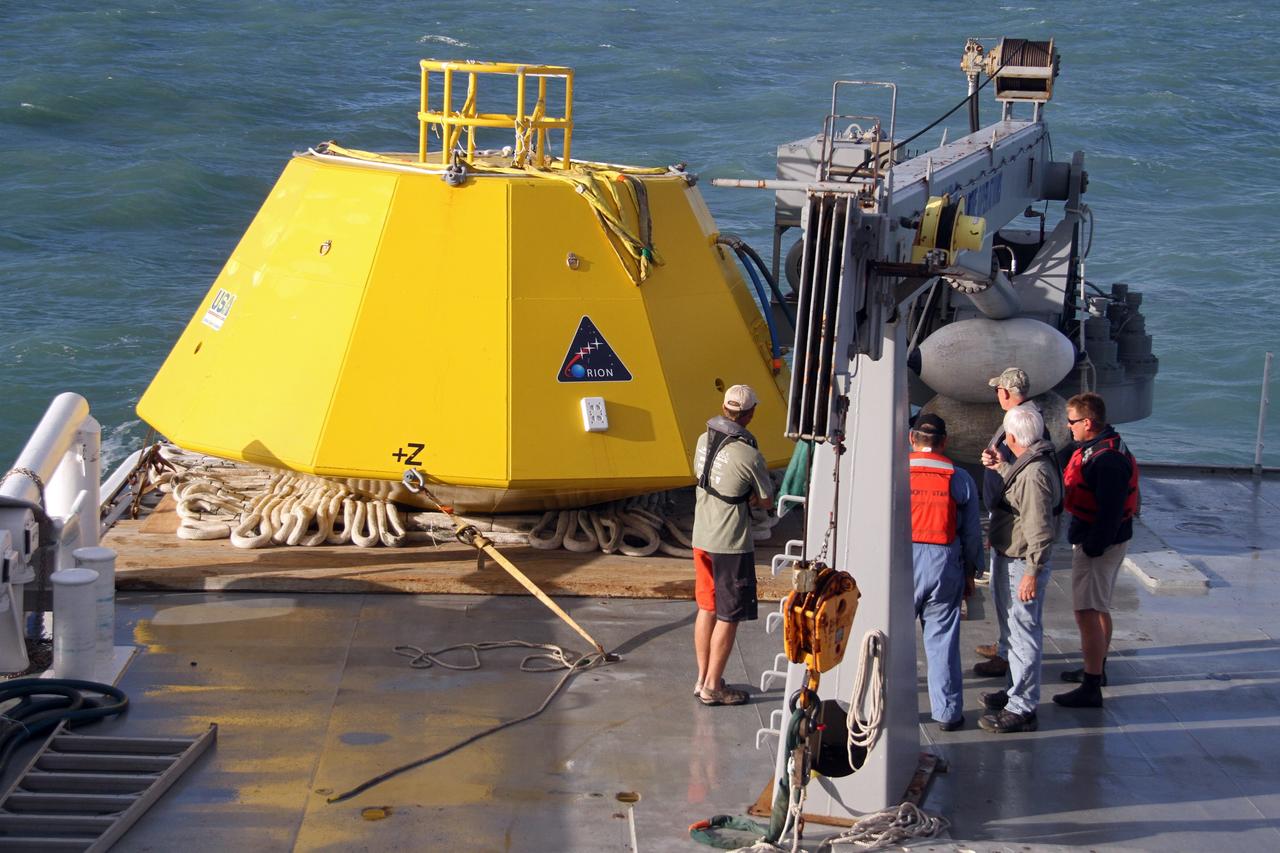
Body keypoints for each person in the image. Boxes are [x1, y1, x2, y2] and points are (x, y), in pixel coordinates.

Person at [977, 405, 1062, 733]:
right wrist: (1002, 468)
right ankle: (1014, 690)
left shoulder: (1034, 474)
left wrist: (1032, 572)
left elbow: (1040, 528)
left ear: (1011, 437)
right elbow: (1021, 493)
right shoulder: (1031, 462)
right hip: (1009, 553)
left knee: (1024, 631)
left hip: (1020, 561)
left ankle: (1022, 706)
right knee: (1012, 630)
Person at [1054, 392, 1140, 708]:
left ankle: (1091, 686)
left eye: (1072, 421)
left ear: (1088, 422)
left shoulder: (1107, 461)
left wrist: (1092, 547)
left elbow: (1110, 511)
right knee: (1099, 606)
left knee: (1087, 611)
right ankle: (1096, 668)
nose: (1069, 426)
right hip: (1101, 538)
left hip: (1099, 544)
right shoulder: (1101, 447)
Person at [691, 384, 774, 706]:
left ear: (725, 409)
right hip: (731, 544)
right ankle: (714, 687)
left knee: (707, 607)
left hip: (702, 537)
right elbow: (766, 501)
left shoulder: (703, 440)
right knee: (729, 615)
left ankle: (702, 679)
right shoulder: (749, 454)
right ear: (750, 413)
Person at [909, 414, 985, 732]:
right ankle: (948, 712)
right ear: (944, 442)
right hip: (944, 564)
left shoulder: (894, 472)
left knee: (890, 639)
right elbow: (970, 533)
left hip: (901, 562)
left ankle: (885, 707)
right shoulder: (960, 477)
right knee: (942, 640)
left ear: (912, 439)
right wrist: (971, 572)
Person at [973, 367, 1044, 679]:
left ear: (1005, 392)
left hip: (1014, 529)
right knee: (1005, 600)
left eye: (998, 390)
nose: (996, 394)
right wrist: (996, 462)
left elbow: (1026, 479)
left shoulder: (1023, 422)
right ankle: (1004, 645)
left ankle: (1012, 666)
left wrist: (1033, 569)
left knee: (1015, 607)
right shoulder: (1018, 419)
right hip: (1005, 521)